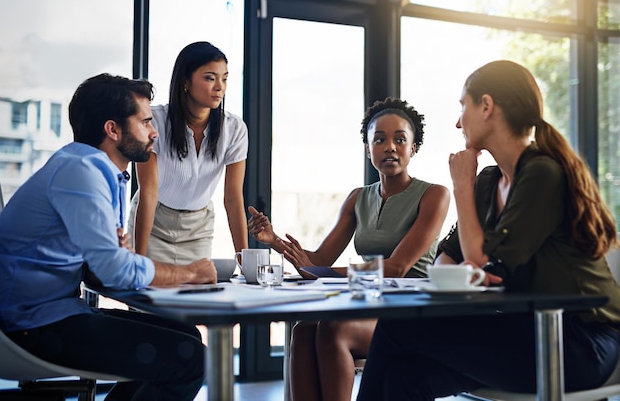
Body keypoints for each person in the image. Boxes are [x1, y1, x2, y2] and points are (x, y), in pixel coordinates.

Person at [356, 60, 620, 401]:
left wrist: (461, 188)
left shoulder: (542, 174)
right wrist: (469, 268)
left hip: (580, 342)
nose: (457, 121)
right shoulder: (488, 182)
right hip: (526, 331)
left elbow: (485, 262)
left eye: (463, 106)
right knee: (404, 375)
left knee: (396, 326)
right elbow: (447, 257)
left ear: (486, 106)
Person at [0, 73, 218, 401]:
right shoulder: (81, 171)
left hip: (54, 313)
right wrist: (191, 273)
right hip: (30, 325)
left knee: (183, 334)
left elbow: (101, 268)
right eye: (145, 123)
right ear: (112, 130)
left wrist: (116, 259)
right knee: (190, 359)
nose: (154, 132)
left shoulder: (103, 172)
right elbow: (114, 270)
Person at [248, 97, 451, 401]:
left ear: (414, 147)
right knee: (303, 331)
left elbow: (396, 268)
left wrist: (321, 273)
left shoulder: (435, 195)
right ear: (369, 147)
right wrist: (274, 240)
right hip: (370, 307)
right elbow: (317, 261)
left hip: (412, 316)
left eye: (400, 139)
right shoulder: (358, 198)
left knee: (333, 330)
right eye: (379, 139)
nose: (390, 147)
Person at [129, 41, 249, 264]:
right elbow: (148, 193)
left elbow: (233, 199)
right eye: (210, 78)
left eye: (224, 78)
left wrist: (246, 263)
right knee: (147, 295)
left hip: (198, 229)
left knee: (196, 295)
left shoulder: (234, 129)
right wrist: (138, 261)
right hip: (154, 223)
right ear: (185, 81)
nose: (219, 87)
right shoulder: (154, 122)